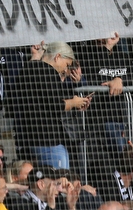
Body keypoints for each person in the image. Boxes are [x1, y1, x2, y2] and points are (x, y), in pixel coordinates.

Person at [12, 41, 89, 169]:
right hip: (48, 140)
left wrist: (36, 55)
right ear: (58, 57)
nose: (66, 69)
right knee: (59, 182)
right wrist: (74, 102)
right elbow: (54, 105)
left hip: (28, 140)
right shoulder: (49, 72)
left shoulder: (27, 69)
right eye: (67, 64)